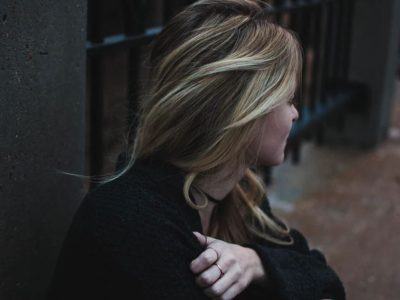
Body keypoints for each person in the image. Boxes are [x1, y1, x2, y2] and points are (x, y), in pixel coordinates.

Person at [47, 0, 345, 299]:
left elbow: (324, 278)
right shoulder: (131, 221)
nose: (295, 113)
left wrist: (257, 263)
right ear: (244, 108)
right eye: (289, 99)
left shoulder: (237, 194)